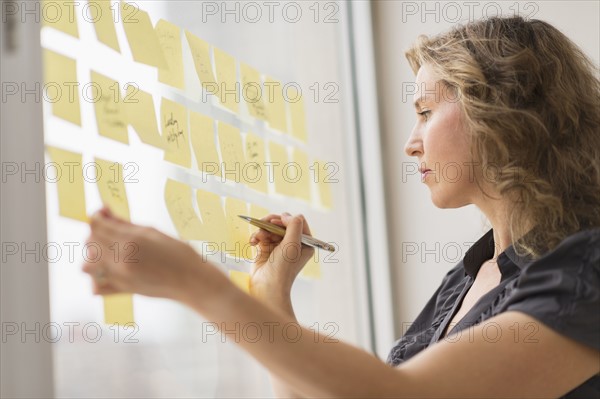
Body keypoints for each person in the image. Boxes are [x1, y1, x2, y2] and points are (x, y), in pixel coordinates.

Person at [83, 16, 600, 398]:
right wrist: (270, 298)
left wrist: (196, 284)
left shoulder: (588, 273)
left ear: (501, 111)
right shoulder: (469, 275)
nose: (411, 143)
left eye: (425, 111)